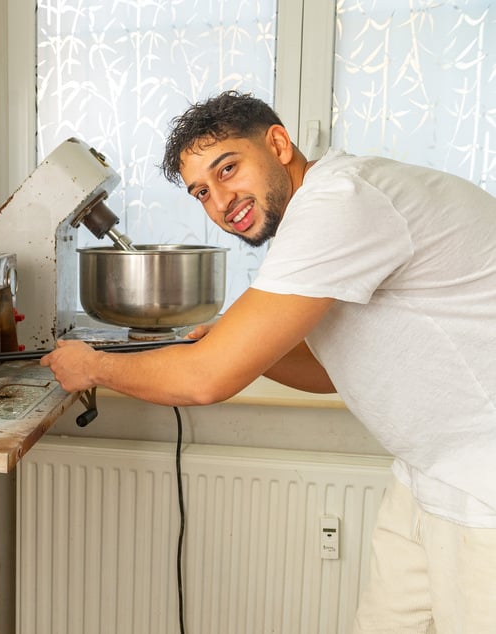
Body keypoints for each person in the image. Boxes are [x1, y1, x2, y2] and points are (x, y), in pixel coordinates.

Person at [40, 90, 496, 633]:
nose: (220, 202)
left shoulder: (340, 202)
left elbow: (207, 381)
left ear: (278, 143)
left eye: (228, 169)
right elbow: (333, 372)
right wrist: (241, 351)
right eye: (202, 192)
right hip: (429, 476)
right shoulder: (322, 217)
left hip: (482, 486)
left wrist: (94, 367)